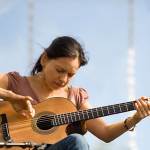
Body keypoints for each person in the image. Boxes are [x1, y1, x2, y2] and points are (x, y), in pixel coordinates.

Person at [0, 36, 150, 150]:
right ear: (44, 59)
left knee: (78, 141)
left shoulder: (75, 97)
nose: (64, 79)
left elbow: (105, 132)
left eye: (70, 74)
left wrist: (135, 118)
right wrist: (11, 97)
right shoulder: (14, 81)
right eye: (60, 70)